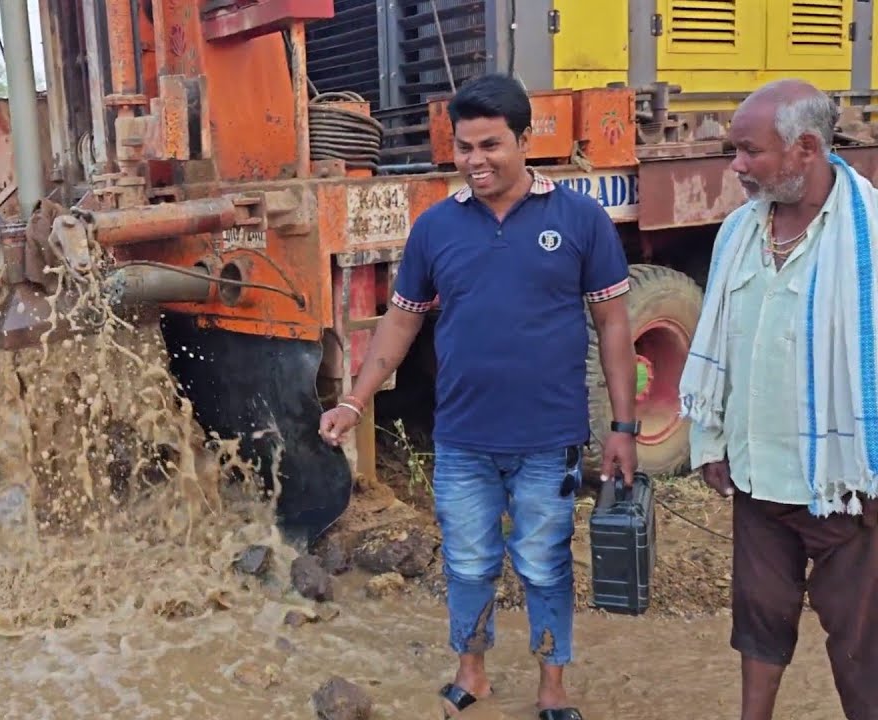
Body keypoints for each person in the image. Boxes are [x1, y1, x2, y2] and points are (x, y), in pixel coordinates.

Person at [319, 73, 638, 719]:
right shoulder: (437, 227)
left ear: (524, 140)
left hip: (549, 439)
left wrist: (623, 427)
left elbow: (614, 323)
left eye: (490, 145)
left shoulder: (579, 219)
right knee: (468, 563)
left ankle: (552, 686)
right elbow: (402, 320)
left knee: (545, 565)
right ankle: (474, 673)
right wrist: (354, 401)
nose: (475, 161)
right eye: (465, 147)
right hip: (462, 438)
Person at [679, 78, 878, 720]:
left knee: (863, 644)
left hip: (850, 491)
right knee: (758, 624)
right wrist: (711, 444)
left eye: (749, 152)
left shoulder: (869, 239)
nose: (735, 166)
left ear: (806, 149)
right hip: (758, 478)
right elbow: (719, 344)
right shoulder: (738, 233)